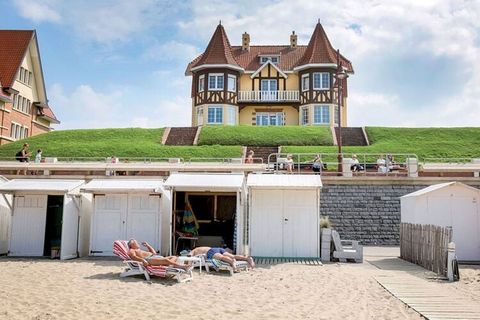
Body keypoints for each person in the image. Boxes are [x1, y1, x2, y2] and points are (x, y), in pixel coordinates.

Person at [189, 246, 255, 271]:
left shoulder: (194, 250)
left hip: (210, 252)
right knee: (233, 256)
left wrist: (189, 263)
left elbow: (189, 255)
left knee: (221, 258)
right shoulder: (201, 247)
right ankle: (248, 259)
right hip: (217, 248)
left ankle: (231, 262)